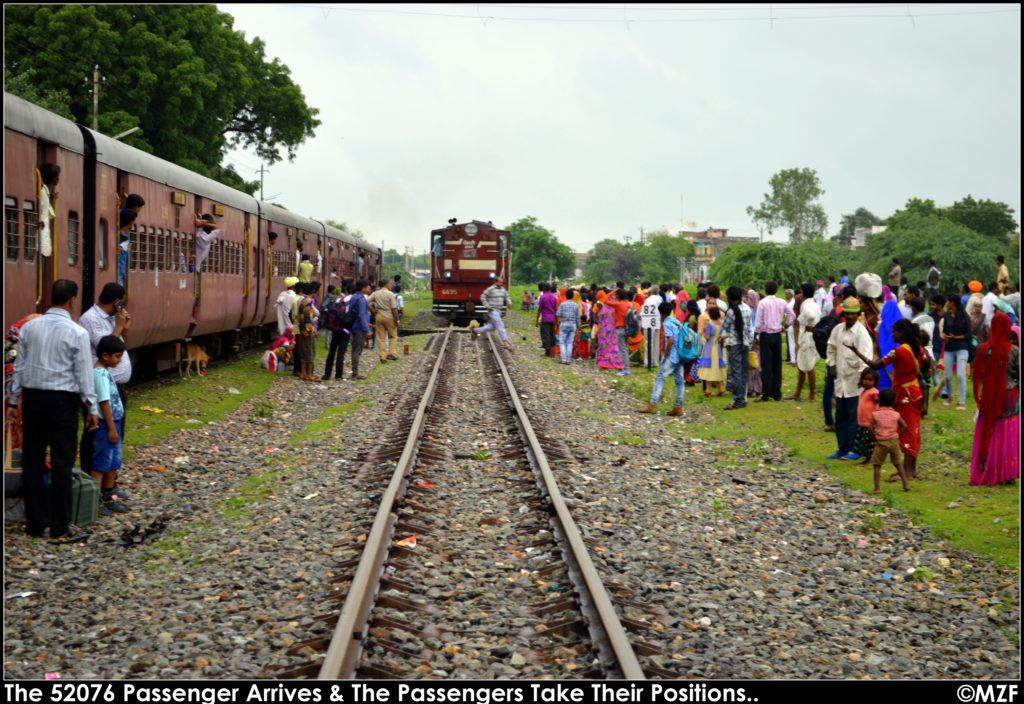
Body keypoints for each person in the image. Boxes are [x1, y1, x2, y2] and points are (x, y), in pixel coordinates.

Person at [5, 280, 98, 540]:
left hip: (33, 400)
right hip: (62, 402)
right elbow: (83, 374)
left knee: (33, 461)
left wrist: (13, 402)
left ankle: (35, 523)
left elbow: (20, 367)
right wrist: (91, 408)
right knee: (61, 462)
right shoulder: (77, 333)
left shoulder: (30, 328)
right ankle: (60, 526)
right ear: (71, 301)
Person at [846, 318, 928, 481]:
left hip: (904, 394)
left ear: (902, 333)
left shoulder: (898, 352)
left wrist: (856, 351)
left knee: (906, 431)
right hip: (916, 393)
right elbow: (927, 364)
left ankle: (907, 473)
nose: (892, 335)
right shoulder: (917, 349)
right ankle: (910, 469)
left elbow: (875, 365)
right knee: (914, 429)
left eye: (894, 332)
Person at [78, 282, 133, 505]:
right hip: (100, 389)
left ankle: (110, 485)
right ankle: (93, 485)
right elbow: (104, 346)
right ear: (116, 301)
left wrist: (122, 326)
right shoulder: (91, 319)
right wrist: (119, 328)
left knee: (115, 440)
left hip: (115, 386)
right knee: (98, 439)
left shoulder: (111, 318)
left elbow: (116, 346)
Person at [970, 314, 1019, 486]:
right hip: (1010, 396)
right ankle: (1008, 473)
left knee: (989, 430)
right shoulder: (1014, 350)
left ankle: (986, 468)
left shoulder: (983, 349)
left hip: (989, 397)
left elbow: (978, 375)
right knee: (1007, 432)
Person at [825, 298, 874, 460]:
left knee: (854, 419)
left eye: (853, 314)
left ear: (859, 315)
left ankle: (854, 449)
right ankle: (842, 448)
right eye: (847, 313)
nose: (850, 317)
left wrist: (862, 381)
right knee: (840, 417)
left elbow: (865, 359)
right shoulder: (838, 330)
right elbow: (831, 347)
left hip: (855, 383)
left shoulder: (862, 334)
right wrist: (831, 365)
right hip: (840, 382)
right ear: (843, 313)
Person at [91, 335, 129, 516]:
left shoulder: (105, 372)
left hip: (115, 423)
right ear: (105, 356)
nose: (120, 360)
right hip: (107, 425)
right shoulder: (99, 374)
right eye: (117, 356)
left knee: (113, 461)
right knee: (101, 462)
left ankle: (108, 494)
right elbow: (103, 402)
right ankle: (95, 501)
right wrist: (112, 428)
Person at [640, 302, 688, 416]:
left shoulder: (667, 323)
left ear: (660, 313)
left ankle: (653, 403)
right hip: (680, 354)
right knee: (680, 381)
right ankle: (678, 406)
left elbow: (670, 340)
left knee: (660, 378)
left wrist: (665, 354)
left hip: (672, 355)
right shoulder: (676, 321)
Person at [754, 281, 792, 402]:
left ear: (766, 290)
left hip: (766, 335)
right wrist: (785, 325)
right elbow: (792, 315)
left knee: (766, 365)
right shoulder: (782, 302)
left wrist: (756, 333)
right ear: (776, 290)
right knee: (777, 364)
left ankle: (766, 392)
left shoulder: (763, 303)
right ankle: (777, 393)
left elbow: (759, 322)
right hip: (777, 335)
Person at [869, 388, 911, 494]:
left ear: (879, 400)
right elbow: (904, 425)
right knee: (898, 463)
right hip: (893, 441)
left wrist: (873, 436)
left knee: (877, 465)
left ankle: (877, 488)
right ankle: (905, 484)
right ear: (893, 401)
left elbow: (870, 427)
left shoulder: (876, 414)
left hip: (881, 442)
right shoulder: (896, 414)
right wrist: (899, 435)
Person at [721, 286, 753, 410]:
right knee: (743, 371)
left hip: (734, 343)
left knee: (735, 372)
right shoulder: (747, 308)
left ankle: (738, 400)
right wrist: (749, 342)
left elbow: (726, 326)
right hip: (745, 343)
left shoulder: (731, 311)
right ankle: (743, 398)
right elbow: (750, 327)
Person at [790, 282, 821, 402]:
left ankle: (812, 394)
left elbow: (810, 315)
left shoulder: (808, 306)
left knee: (809, 366)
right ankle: (798, 392)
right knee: (802, 365)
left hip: (808, 336)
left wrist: (802, 320)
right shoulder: (813, 304)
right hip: (809, 335)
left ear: (803, 292)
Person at [322, 282, 354, 381]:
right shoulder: (352, 300)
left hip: (335, 327)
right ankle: (338, 375)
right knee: (341, 352)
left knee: (332, 351)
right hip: (345, 329)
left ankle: (327, 374)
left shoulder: (339, 299)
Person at [473, 277, 513, 350]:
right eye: (500, 282)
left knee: (493, 326)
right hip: (492, 310)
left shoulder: (503, 290)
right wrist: (488, 306)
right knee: (500, 324)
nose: (501, 284)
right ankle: (505, 342)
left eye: (502, 283)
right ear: (496, 282)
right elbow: (482, 297)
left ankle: (477, 330)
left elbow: (507, 297)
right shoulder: (490, 289)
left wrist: (509, 303)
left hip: (499, 310)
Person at [368, 279, 400, 361]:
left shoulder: (375, 293)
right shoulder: (390, 294)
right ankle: (391, 353)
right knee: (393, 336)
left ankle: (382, 357)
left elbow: (366, 301)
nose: (391, 285)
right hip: (389, 316)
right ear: (386, 285)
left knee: (381, 337)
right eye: (390, 284)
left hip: (379, 316)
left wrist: (372, 310)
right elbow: (394, 309)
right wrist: (397, 320)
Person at [697, 307, 725, 396]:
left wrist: (703, 333)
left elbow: (707, 337)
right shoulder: (720, 323)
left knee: (708, 367)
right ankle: (720, 388)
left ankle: (708, 390)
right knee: (717, 367)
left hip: (709, 346)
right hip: (717, 346)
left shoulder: (709, 324)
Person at [855, 368, 881, 465]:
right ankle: (866, 459)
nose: (867, 382)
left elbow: (877, 400)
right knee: (864, 442)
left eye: (870, 380)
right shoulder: (864, 392)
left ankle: (871, 460)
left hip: (870, 422)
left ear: (875, 381)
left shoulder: (873, 392)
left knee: (870, 443)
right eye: (865, 379)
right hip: (863, 422)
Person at [295, 282, 319, 381]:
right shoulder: (308, 301)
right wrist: (312, 330)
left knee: (303, 352)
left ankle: (303, 373)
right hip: (307, 330)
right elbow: (308, 318)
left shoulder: (301, 300)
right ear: (312, 292)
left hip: (301, 329)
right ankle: (309, 374)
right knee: (310, 353)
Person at [348, 280, 371, 379]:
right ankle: (355, 373)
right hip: (359, 327)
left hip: (353, 325)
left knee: (355, 349)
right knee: (357, 350)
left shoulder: (353, 296)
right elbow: (361, 315)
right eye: (367, 287)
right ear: (363, 288)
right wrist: (367, 330)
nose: (369, 289)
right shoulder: (361, 299)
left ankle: (354, 371)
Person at [745, 290, 762, 399]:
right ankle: (758, 388)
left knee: (750, 365)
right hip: (759, 340)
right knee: (757, 364)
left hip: (750, 340)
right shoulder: (759, 310)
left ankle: (750, 389)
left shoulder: (748, 310)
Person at [556, 288, 579, 365]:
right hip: (573, 325)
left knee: (562, 342)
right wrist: (578, 327)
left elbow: (558, 314)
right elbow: (577, 317)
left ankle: (564, 359)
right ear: (572, 296)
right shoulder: (576, 305)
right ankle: (568, 360)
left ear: (565, 296)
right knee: (570, 342)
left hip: (564, 324)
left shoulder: (562, 304)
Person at [536, 282, 558, 355]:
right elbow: (555, 309)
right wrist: (556, 320)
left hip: (545, 318)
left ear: (544, 288)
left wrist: (537, 319)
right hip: (552, 318)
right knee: (552, 334)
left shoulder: (543, 297)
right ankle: (552, 351)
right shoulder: (553, 297)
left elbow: (540, 309)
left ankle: (547, 352)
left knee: (545, 334)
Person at [117, 208, 136, 287]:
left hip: (120, 276)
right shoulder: (122, 238)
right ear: (130, 222)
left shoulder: (122, 237)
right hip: (118, 277)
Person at [784, 289, 797, 364]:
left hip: (791, 323)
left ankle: (793, 359)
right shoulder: (787, 302)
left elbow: (790, 315)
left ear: (792, 294)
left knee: (792, 341)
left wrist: (787, 324)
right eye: (785, 294)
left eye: (787, 294)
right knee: (791, 342)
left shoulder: (793, 302)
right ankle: (792, 358)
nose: (786, 296)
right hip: (789, 323)